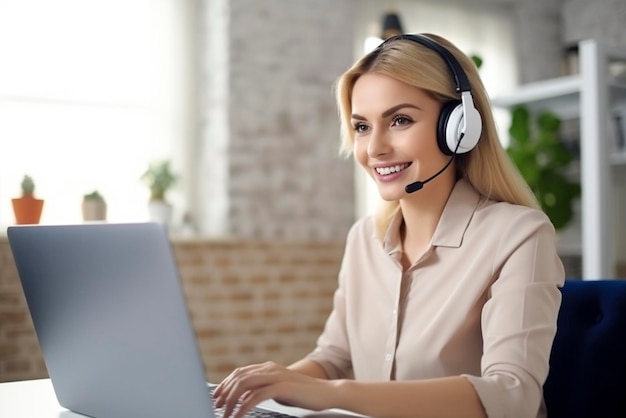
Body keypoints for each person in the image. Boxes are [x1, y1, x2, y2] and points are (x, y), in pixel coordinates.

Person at [213, 33, 565, 418]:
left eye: (400, 120)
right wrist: (264, 392)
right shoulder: (364, 238)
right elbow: (333, 357)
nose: (375, 148)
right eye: (362, 127)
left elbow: (512, 396)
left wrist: (334, 393)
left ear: (459, 127)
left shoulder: (518, 235)